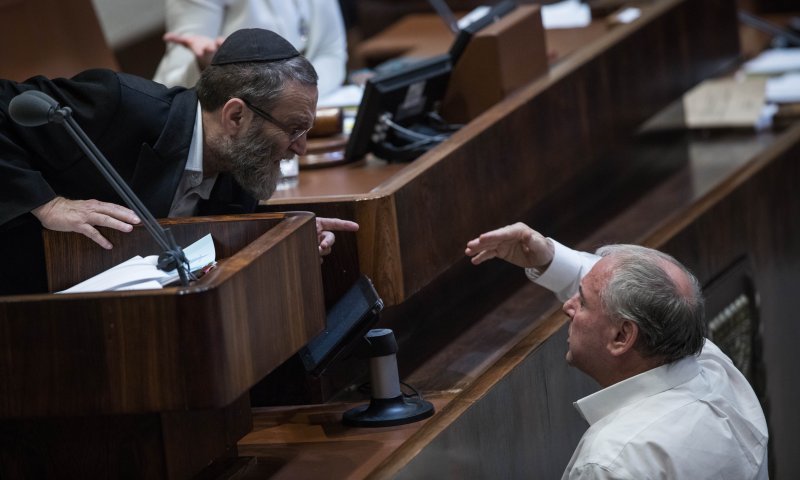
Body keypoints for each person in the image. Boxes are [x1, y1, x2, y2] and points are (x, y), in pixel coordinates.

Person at [0, 28, 357, 295]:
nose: (301, 149)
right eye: (294, 130)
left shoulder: (239, 172)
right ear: (235, 117)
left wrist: (285, 240)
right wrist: (47, 203)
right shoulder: (121, 104)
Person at [465, 223, 769, 479]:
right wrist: (548, 258)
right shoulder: (718, 375)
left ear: (622, 336)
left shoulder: (612, 463)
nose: (567, 307)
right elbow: (652, 294)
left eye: (581, 302)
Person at [153, 0, 347, 97]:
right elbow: (173, 89)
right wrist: (203, 67)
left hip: (301, 121)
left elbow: (331, 51)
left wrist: (300, 105)